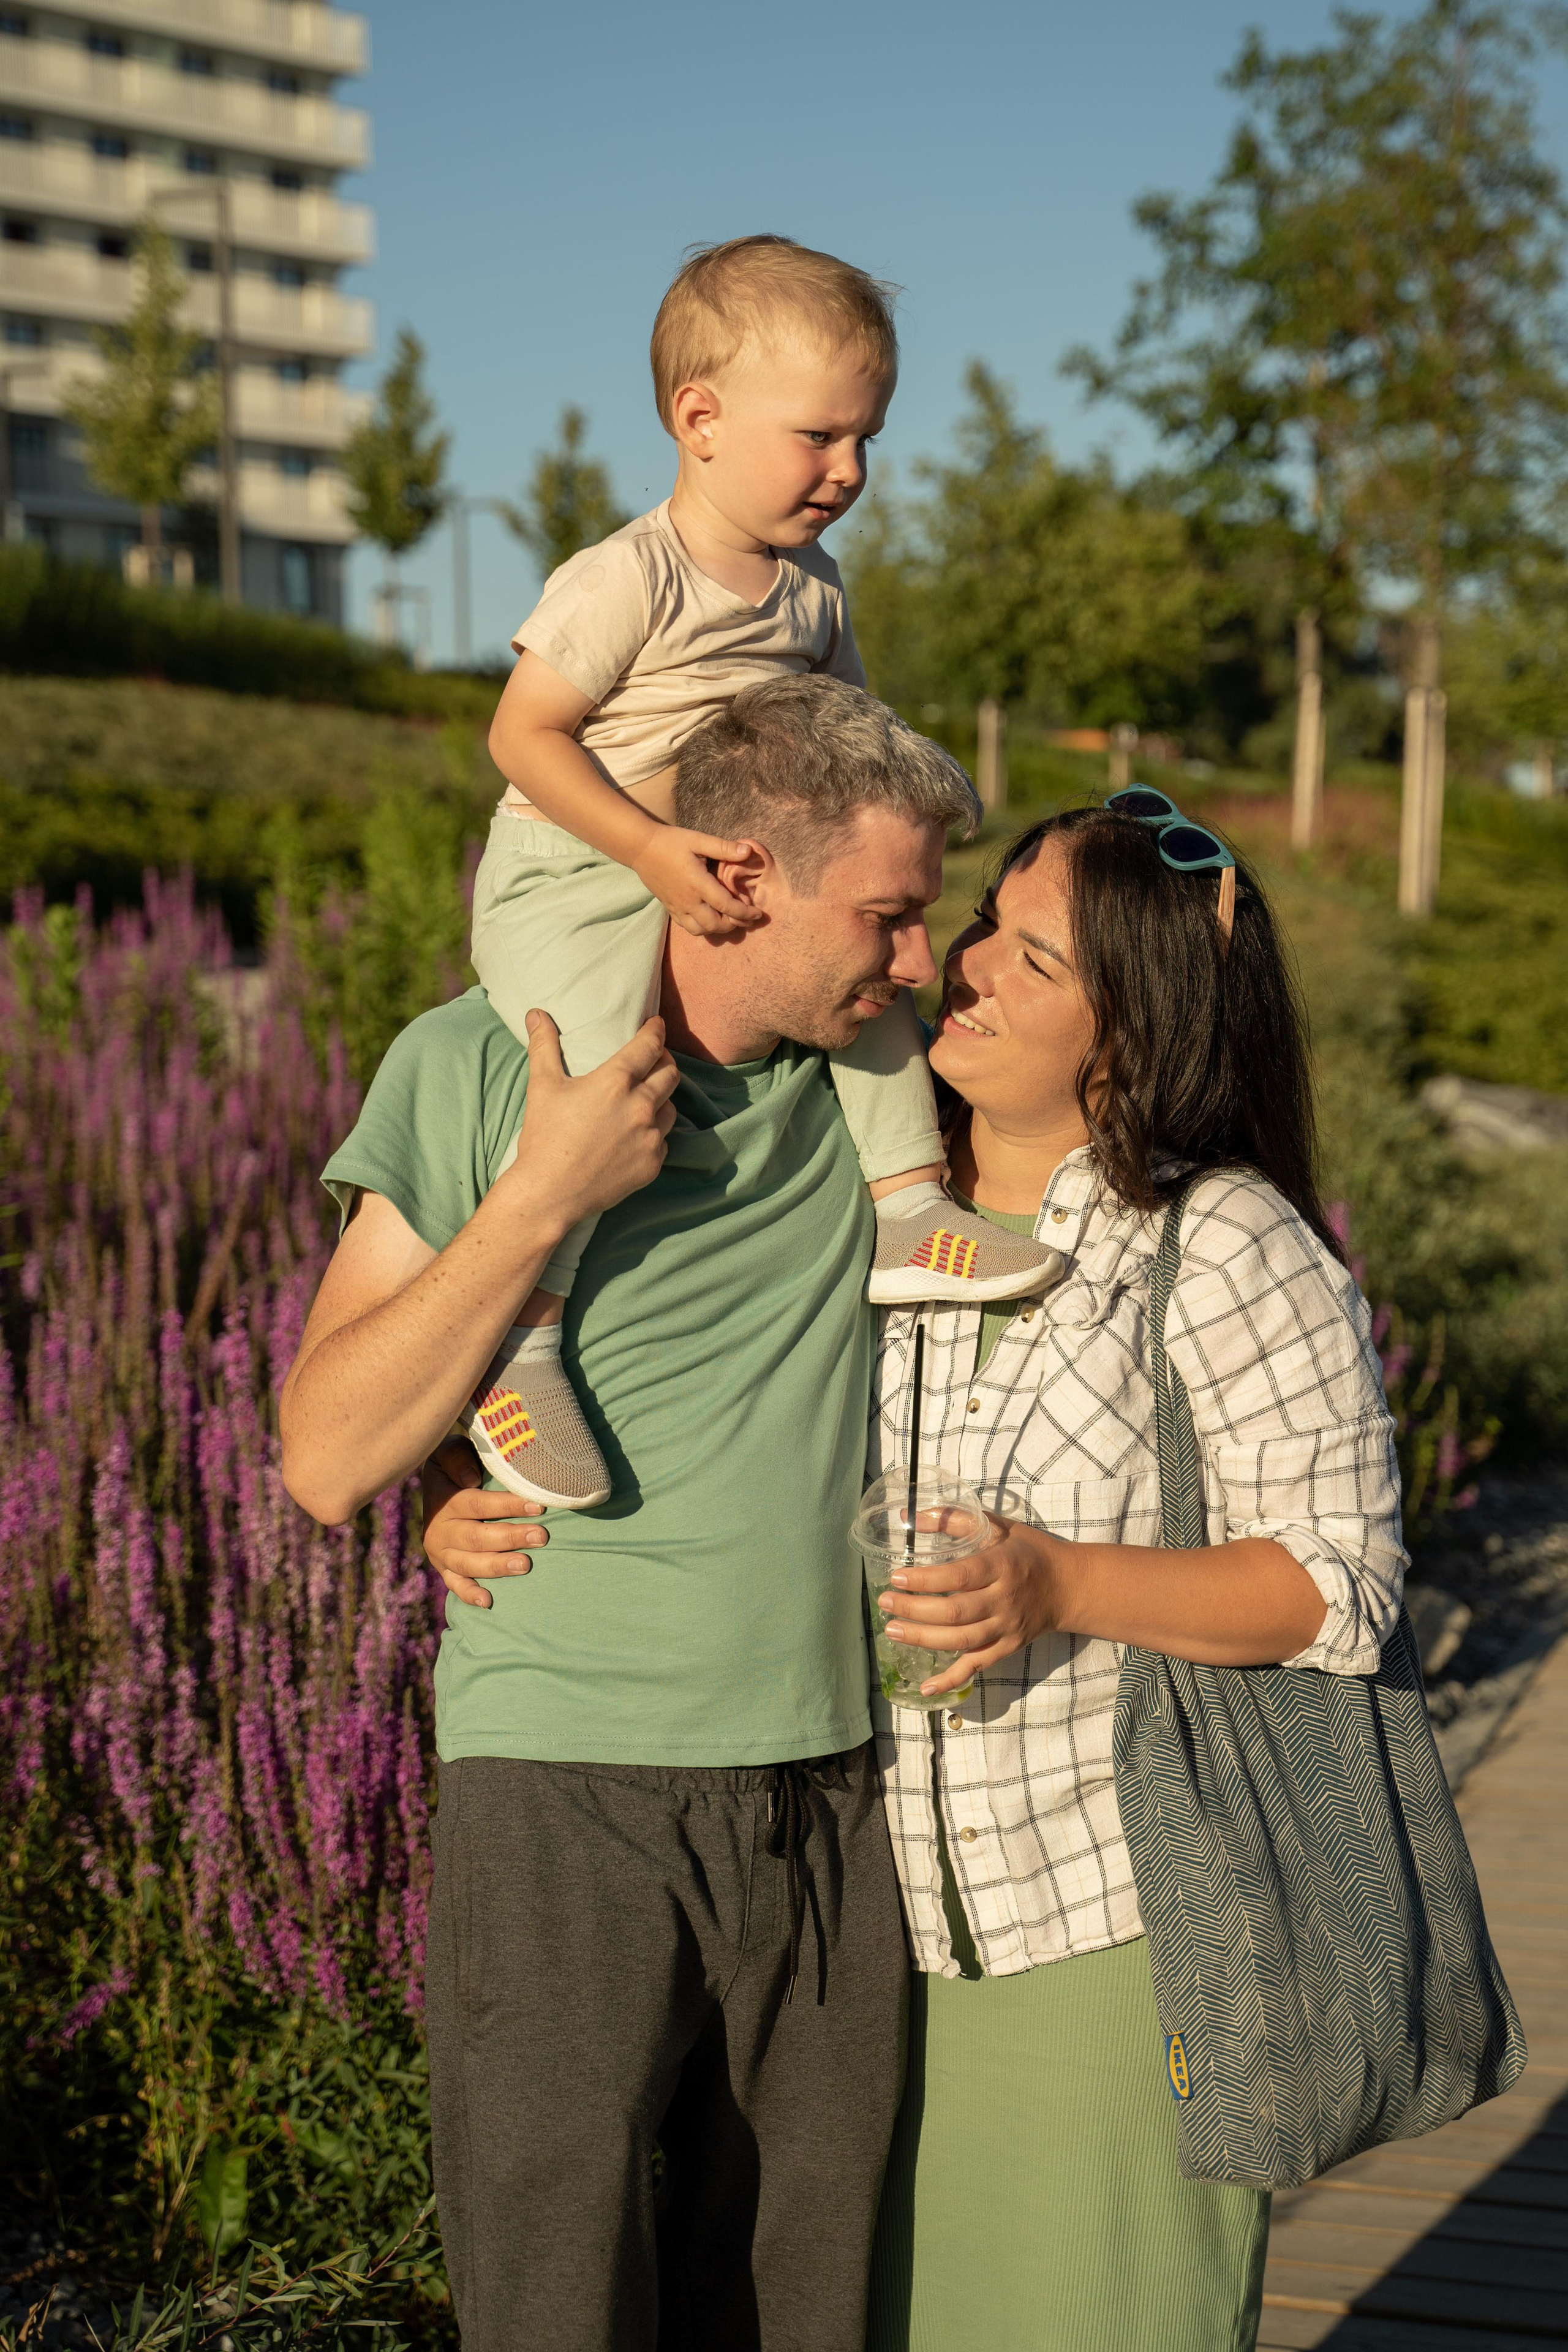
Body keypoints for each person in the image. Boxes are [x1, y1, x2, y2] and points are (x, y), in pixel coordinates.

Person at [279, 676, 978, 2352]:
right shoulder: (473, 1065)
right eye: (885, 917)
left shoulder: (875, 1099)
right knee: (558, 2304)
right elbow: (320, 1451)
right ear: (736, 876)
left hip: (831, 1790)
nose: (911, 964)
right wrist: (538, 1203)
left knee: (801, 2310)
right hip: (565, 1790)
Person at [859, 802, 1408, 2352]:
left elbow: (1335, 1583)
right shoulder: (860, 1207)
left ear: (1128, 1034)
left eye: (1032, 960)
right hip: (851, 1940)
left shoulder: (1218, 1240)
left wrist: (1056, 1583)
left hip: (1106, 1934)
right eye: (983, 923)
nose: (965, 968)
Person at [458, 233, 1056, 1513]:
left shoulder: (813, 592)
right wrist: (644, 848)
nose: (847, 472)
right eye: (821, 437)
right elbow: (521, 737)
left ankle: (905, 1209)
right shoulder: (629, 578)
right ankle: (524, 1337)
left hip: (723, 869)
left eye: (866, 443)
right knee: (604, 1067)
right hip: (576, 867)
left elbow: (847, 755)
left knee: (875, 968)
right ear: (700, 420)